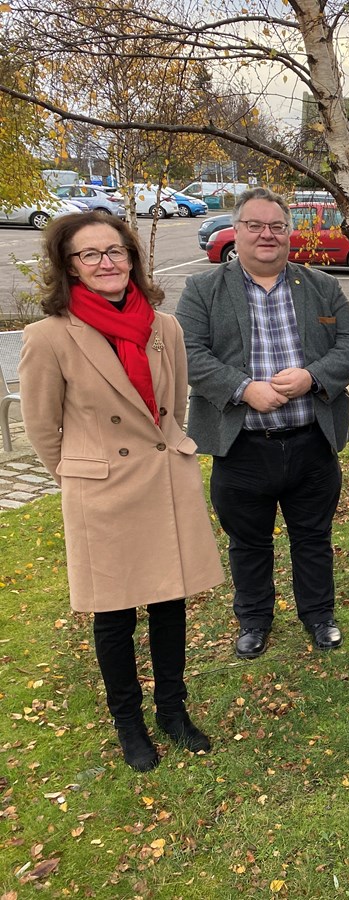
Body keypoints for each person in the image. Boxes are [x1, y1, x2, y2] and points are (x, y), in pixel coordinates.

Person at [18, 211, 225, 771]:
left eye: (115, 252)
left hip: (162, 479)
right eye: (91, 255)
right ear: (70, 268)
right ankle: (129, 724)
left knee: (169, 602)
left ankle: (173, 711)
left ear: (132, 258)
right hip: (101, 490)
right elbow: (41, 427)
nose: (107, 263)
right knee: (114, 616)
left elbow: (173, 404)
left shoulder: (165, 328)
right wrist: (80, 475)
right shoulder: (49, 337)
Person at [176, 187, 349, 660]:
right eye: (255, 225)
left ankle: (319, 615)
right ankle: (255, 619)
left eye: (277, 226)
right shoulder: (204, 290)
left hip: (310, 442)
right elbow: (187, 354)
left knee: (313, 537)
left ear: (289, 233)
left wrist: (312, 377)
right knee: (248, 542)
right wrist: (243, 388)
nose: (267, 235)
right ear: (236, 231)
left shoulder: (320, 285)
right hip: (241, 445)